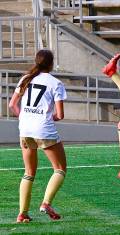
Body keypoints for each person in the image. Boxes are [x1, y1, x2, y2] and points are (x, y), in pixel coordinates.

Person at [9, 49, 67, 223]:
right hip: (43, 129)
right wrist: (44, 119)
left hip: (24, 129)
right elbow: (60, 115)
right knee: (59, 169)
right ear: (51, 64)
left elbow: (12, 105)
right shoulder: (55, 83)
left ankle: (22, 214)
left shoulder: (25, 79)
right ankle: (46, 203)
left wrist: (26, 118)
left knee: (28, 172)